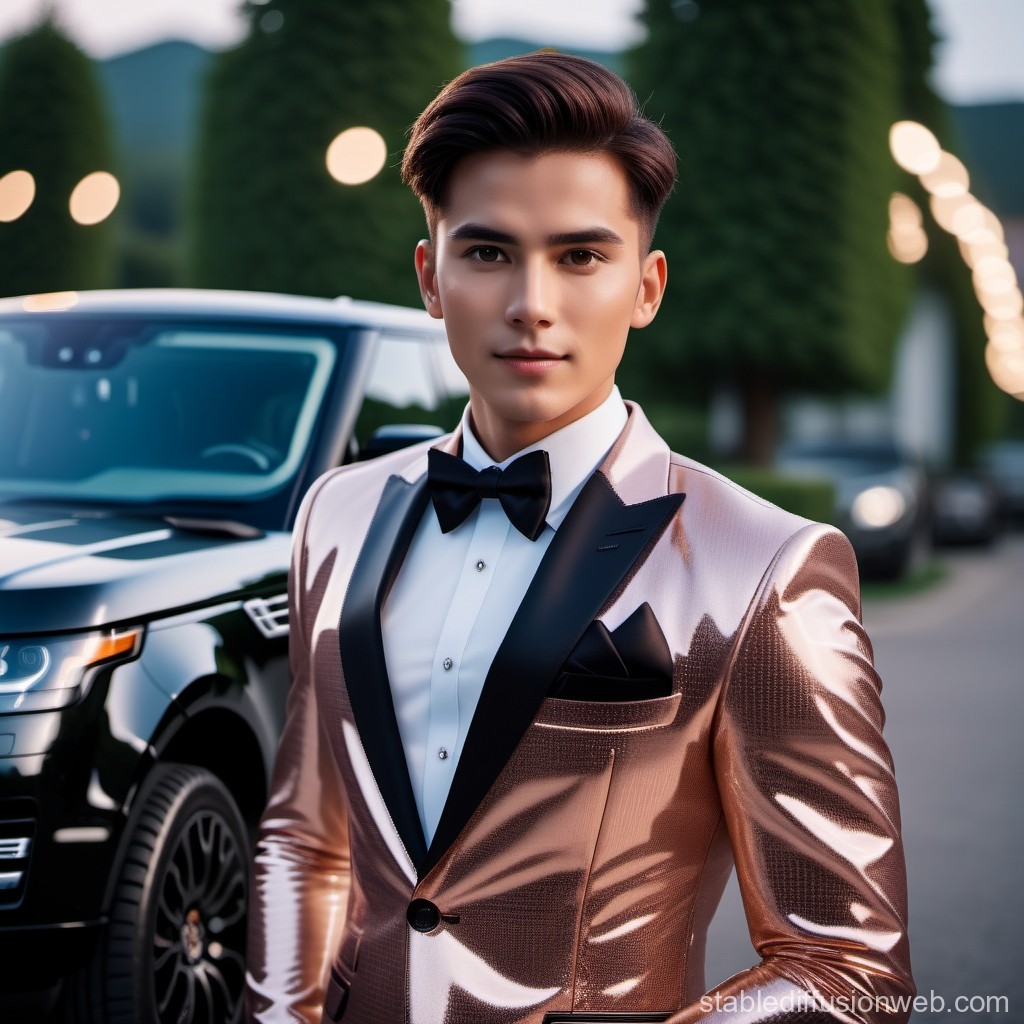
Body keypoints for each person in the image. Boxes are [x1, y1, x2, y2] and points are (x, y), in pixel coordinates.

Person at [246, 52, 914, 1024]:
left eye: (579, 256)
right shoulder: (335, 514)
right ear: (431, 278)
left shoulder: (767, 564)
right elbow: (304, 837)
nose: (531, 302)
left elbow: (846, 966)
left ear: (646, 286)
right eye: (487, 254)